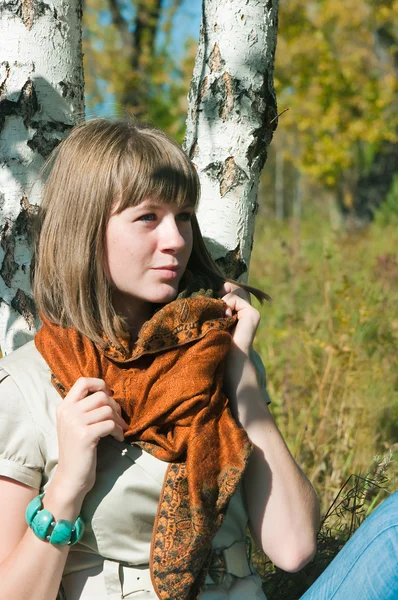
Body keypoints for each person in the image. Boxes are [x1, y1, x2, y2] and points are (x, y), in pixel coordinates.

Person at [0, 118, 395, 600]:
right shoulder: (29, 385)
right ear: (87, 230)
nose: (176, 240)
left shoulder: (215, 351)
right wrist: (66, 488)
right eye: (148, 217)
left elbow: (292, 548)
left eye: (184, 216)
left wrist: (240, 379)